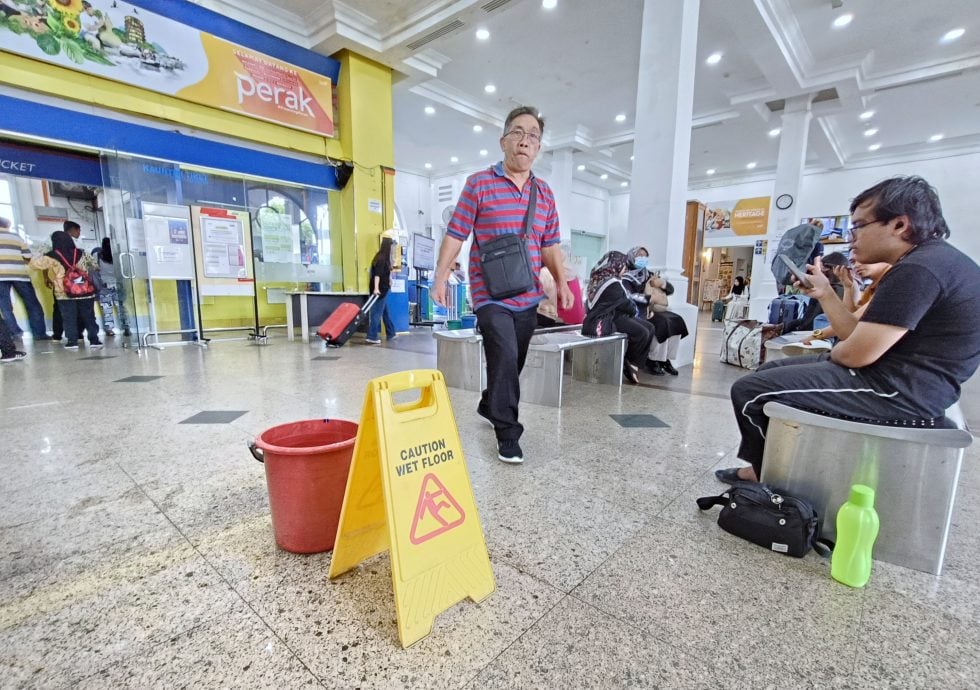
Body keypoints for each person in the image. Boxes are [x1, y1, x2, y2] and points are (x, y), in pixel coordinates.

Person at [719, 176, 980, 484]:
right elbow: (855, 332)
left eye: (858, 226)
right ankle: (769, 466)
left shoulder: (919, 269)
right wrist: (826, 294)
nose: (851, 238)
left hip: (900, 390)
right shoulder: (928, 261)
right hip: (900, 377)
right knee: (767, 372)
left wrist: (838, 352)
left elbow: (854, 353)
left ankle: (770, 479)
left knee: (749, 391)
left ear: (899, 224)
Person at [432, 105, 572, 465]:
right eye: (518, 133)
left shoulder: (545, 194)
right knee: (505, 353)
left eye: (533, 136)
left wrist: (561, 282)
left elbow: (550, 244)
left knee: (514, 358)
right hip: (489, 293)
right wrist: (440, 275)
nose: (525, 141)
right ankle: (508, 432)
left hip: (527, 294)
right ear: (503, 140)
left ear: (538, 148)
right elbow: (456, 232)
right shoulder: (479, 183)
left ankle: (488, 401)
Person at [582, 251, 654, 384]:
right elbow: (628, 305)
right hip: (604, 320)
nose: (625, 270)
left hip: (613, 315)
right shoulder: (612, 283)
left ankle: (634, 363)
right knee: (642, 332)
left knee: (650, 327)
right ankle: (631, 363)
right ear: (617, 265)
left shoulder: (600, 276)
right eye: (624, 266)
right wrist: (632, 311)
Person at [30, 231, 102, 351]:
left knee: (69, 317)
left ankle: (72, 342)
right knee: (89, 316)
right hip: (85, 291)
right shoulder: (83, 253)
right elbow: (95, 266)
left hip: (64, 293)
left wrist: (41, 250)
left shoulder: (51, 256)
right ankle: (94, 340)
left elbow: (34, 264)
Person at [621, 246, 688, 376]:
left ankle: (665, 358)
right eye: (639, 255)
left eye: (645, 256)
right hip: (637, 311)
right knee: (662, 323)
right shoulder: (625, 277)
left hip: (653, 308)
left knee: (676, 320)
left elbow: (670, 290)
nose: (642, 259)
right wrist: (648, 298)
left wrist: (662, 283)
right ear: (631, 257)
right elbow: (628, 295)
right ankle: (653, 359)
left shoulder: (649, 275)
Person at [0, 216, 49, 340]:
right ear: (7, 225)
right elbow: (28, 256)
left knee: (5, 307)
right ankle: (39, 334)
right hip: (20, 275)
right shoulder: (15, 236)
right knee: (33, 304)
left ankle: (15, 333)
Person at [92, 237, 130, 337]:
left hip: (104, 286)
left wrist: (97, 287)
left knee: (106, 309)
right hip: (118, 285)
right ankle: (126, 327)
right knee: (121, 307)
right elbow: (125, 271)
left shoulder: (97, 255)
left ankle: (109, 330)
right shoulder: (118, 256)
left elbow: (94, 272)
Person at [365, 237, 397, 344]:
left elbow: (385, 274)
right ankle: (372, 336)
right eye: (392, 246)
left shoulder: (384, 258)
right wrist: (376, 288)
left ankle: (391, 332)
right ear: (388, 246)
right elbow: (377, 275)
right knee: (376, 313)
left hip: (384, 289)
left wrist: (390, 280)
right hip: (380, 291)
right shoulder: (381, 259)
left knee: (385, 312)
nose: (393, 249)